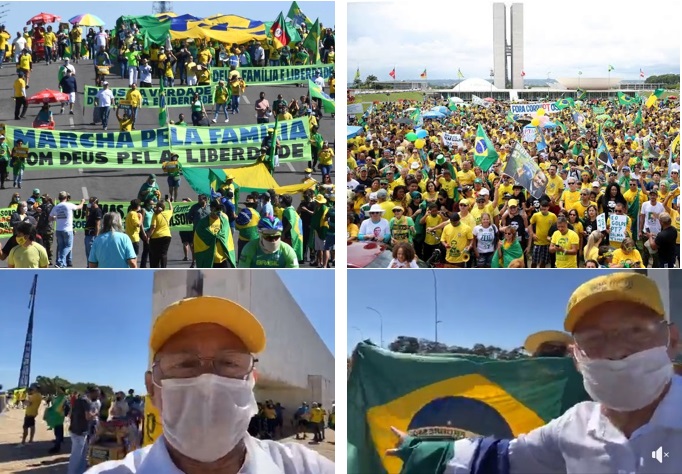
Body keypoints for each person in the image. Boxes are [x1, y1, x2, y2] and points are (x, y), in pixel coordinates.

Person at [387, 272, 680, 473]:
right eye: (594, 338)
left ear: (673, 341)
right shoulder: (574, 426)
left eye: (636, 332)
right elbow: (505, 458)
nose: (617, 351)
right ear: (576, 358)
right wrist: (417, 448)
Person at [87, 296, 334, 473]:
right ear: (152, 388)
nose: (207, 384)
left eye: (229, 363)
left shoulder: (304, 467)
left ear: (251, 382)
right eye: (184, 364)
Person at [193, 199, 236, 268]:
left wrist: (218, 236)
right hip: (209, 260)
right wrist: (213, 237)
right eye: (217, 209)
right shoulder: (203, 222)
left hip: (223, 259)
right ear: (211, 209)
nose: (219, 211)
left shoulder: (224, 220)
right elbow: (198, 238)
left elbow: (226, 236)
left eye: (220, 209)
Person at [49, 192, 86, 268]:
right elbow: (79, 207)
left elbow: (50, 218)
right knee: (68, 246)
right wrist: (82, 202)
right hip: (67, 229)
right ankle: (61, 261)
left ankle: (63, 264)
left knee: (61, 246)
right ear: (66, 197)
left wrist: (56, 217)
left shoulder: (56, 207)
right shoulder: (69, 205)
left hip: (59, 229)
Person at [148, 199, 174, 268]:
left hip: (156, 237)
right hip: (166, 236)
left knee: (155, 255)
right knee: (163, 254)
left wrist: (148, 236)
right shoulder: (167, 213)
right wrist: (169, 202)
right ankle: (164, 268)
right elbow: (171, 209)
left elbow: (153, 227)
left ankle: (155, 268)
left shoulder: (155, 214)